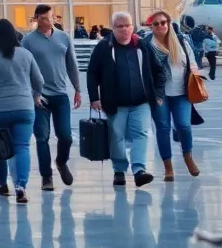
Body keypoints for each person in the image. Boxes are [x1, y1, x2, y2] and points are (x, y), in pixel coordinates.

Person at [87, 11, 165, 188]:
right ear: (112, 28)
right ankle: (119, 170)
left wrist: (158, 94)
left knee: (142, 134)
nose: (124, 29)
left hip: (141, 102)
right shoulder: (104, 47)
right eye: (119, 26)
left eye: (127, 25)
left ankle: (139, 170)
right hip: (115, 103)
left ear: (133, 27)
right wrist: (94, 97)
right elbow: (92, 73)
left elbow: (159, 71)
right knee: (116, 137)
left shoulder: (142, 46)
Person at [0, 19, 44, 204]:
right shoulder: (26, 54)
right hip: (24, 108)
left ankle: (2, 184)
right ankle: (21, 186)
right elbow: (39, 80)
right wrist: (35, 95)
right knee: (22, 147)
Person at [20, 3, 82, 191]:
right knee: (41, 137)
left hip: (61, 94)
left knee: (66, 136)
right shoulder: (28, 41)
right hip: (39, 97)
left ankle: (61, 162)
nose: (50, 21)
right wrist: (33, 93)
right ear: (37, 18)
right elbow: (24, 70)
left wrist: (78, 89)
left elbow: (72, 64)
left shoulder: (63, 37)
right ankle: (46, 176)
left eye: (52, 17)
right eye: (45, 18)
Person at [143, 10, 202, 179]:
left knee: (184, 125)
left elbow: (192, 63)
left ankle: (188, 157)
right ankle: (168, 167)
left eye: (163, 22)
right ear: (151, 26)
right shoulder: (147, 44)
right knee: (163, 128)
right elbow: (145, 71)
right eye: (156, 23)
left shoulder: (181, 40)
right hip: (159, 95)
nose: (161, 26)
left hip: (182, 92)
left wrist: (195, 76)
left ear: (168, 24)